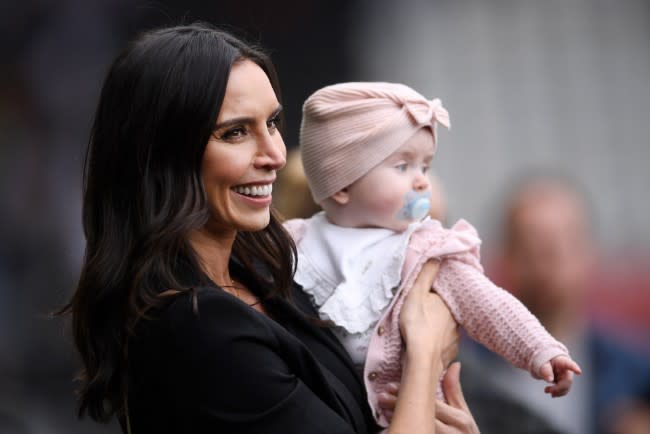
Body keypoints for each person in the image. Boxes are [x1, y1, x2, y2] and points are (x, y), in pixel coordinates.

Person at [59, 23, 480, 434]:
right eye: (236, 132)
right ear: (165, 156)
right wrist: (424, 354)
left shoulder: (264, 275)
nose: (275, 154)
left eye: (273, 124)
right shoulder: (195, 327)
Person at [284, 82, 581, 428]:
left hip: (415, 413)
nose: (422, 181)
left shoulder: (429, 248)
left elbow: (490, 306)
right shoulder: (296, 241)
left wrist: (541, 350)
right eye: (402, 167)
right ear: (342, 185)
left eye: (424, 167)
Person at [461, 174, 650, 434]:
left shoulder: (636, 374)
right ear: (505, 257)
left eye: (562, 244)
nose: (547, 262)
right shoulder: (460, 369)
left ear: (590, 251)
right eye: (530, 246)